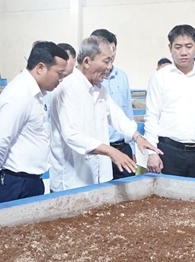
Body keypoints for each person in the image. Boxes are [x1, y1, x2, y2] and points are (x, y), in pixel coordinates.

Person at [49, 35, 160, 191]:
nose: (109, 67)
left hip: (99, 176)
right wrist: (111, 152)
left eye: (111, 62)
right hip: (71, 180)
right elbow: (72, 135)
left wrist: (138, 137)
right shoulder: (67, 89)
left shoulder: (99, 89)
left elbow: (116, 116)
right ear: (87, 62)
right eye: (106, 61)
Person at [0, 41, 68, 204]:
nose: (61, 79)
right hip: (16, 183)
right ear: (40, 67)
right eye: (59, 73)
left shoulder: (35, 93)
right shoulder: (19, 94)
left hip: (30, 181)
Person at [144, 25, 195, 178]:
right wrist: (152, 152)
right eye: (178, 47)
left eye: (189, 46)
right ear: (170, 47)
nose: (184, 52)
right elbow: (152, 116)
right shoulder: (159, 78)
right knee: (169, 193)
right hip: (169, 151)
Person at [90, 28, 137, 180]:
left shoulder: (122, 76)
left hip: (122, 146)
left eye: (114, 49)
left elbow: (127, 113)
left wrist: (132, 148)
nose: (112, 54)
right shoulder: (89, 80)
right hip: (99, 150)